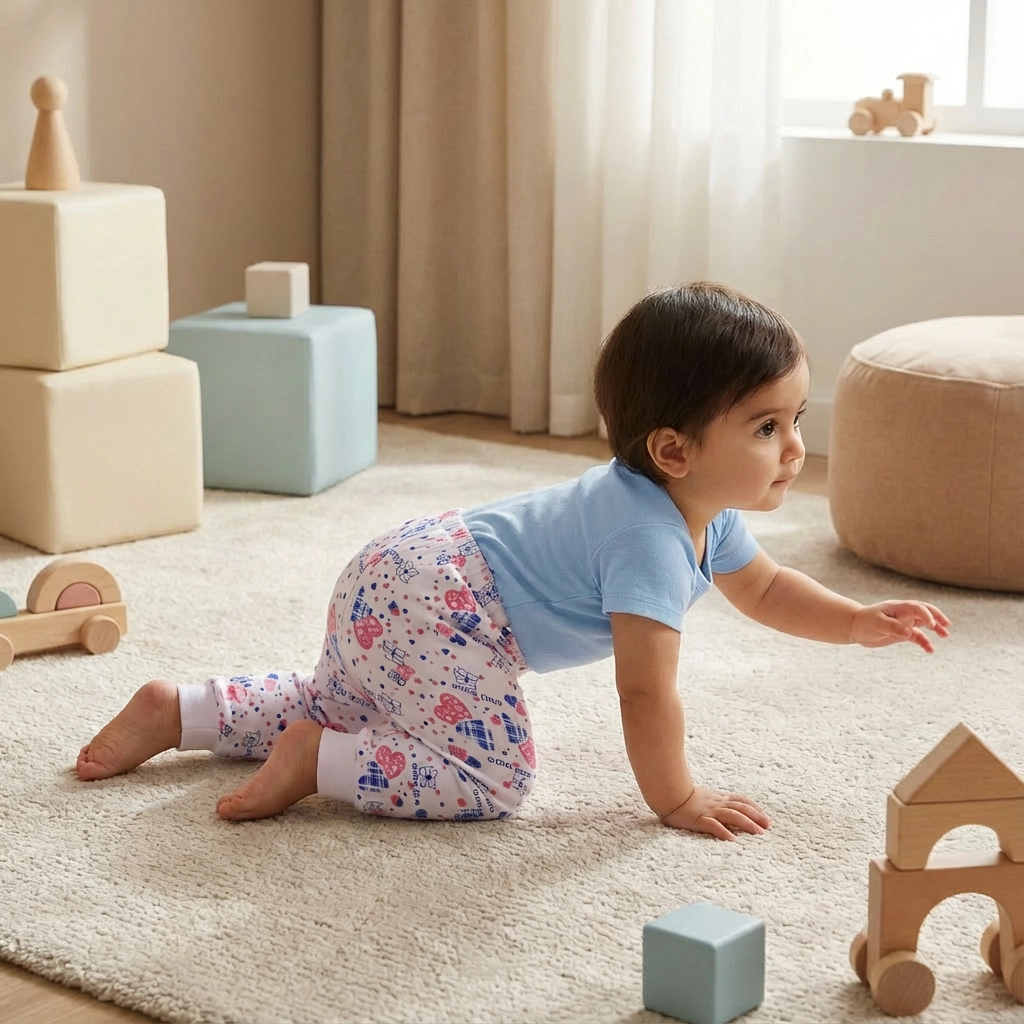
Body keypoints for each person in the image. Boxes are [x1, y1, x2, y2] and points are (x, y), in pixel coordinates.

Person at [76, 282, 950, 839]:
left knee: (343, 698)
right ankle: (320, 763)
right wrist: (677, 799)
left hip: (400, 567)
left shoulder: (700, 512)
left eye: (796, 420)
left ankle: (183, 710)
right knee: (491, 778)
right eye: (767, 427)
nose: (796, 447)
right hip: (448, 609)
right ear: (674, 451)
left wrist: (853, 621)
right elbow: (646, 694)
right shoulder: (648, 540)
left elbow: (765, 588)